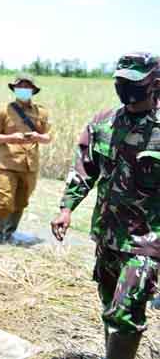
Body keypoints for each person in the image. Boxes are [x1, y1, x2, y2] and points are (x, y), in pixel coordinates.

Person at [51, 52, 160, 359]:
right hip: (108, 234)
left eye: (133, 82)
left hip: (146, 241)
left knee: (126, 313)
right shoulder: (103, 123)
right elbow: (85, 168)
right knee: (111, 307)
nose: (125, 87)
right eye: (120, 81)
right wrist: (66, 208)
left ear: (155, 84)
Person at [0, 73, 52, 243]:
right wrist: (12, 138)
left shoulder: (41, 112)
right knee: (5, 201)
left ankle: (9, 234)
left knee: (21, 202)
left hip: (30, 166)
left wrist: (37, 137)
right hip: (7, 163)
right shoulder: (4, 111)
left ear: (33, 90)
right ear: (15, 89)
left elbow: (48, 137)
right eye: (20, 87)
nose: (23, 90)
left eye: (27, 87)